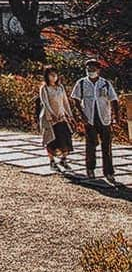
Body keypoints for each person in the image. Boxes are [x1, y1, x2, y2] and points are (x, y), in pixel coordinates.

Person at [71, 58, 121, 187]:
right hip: (90, 119)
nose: (91, 71)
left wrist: (116, 117)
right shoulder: (81, 83)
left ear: (99, 70)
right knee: (91, 146)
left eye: (93, 69)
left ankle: (109, 171)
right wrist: (82, 116)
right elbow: (75, 100)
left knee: (107, 147)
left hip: (104, 118)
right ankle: (90, 169)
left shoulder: (105, 84)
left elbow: (114, 100)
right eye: (89, 69)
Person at [38, 67, 74, 172]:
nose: (53, 77)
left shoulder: (60, 87)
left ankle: (63, 159)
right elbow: (45, 103)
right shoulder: (44, 88)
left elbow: (65, 102)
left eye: (55, 75)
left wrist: (70, 115)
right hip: (49, 118)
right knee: (51, 140)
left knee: (66, 138)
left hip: (61, 116)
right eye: (51, 75)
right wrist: (52, 114)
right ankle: (52, 161)